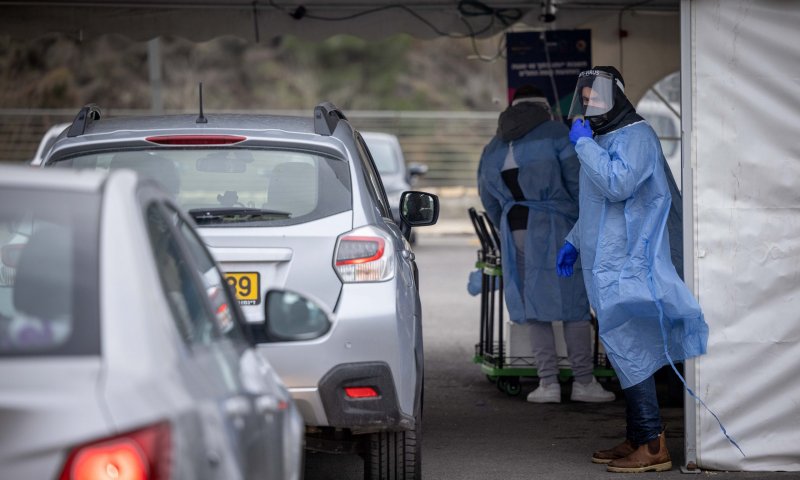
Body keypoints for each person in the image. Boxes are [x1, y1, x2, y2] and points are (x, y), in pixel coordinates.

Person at [559, 66, 709, 473]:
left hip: (629, 262)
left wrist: (584, 146)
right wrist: (574, 240)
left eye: (597, 96)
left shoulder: (636, 136)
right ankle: (638, 435)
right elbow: (598, 204)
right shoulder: (603, 137)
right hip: (605, 261)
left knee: (631, 347)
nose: (589, 103)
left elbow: (618, 184)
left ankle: (654, 444)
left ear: (617, 98)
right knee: (622, 348)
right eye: (585, 96)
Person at [477, 85, 615, 404]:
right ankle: (583, 382)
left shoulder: (495, 144)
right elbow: (578, 183)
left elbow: (487, 195)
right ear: (544, 106)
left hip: (514, 229)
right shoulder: (556, 133)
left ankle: (547, 383)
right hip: (558, 227)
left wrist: (504, 226)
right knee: (574, 304)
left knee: (534, 307)